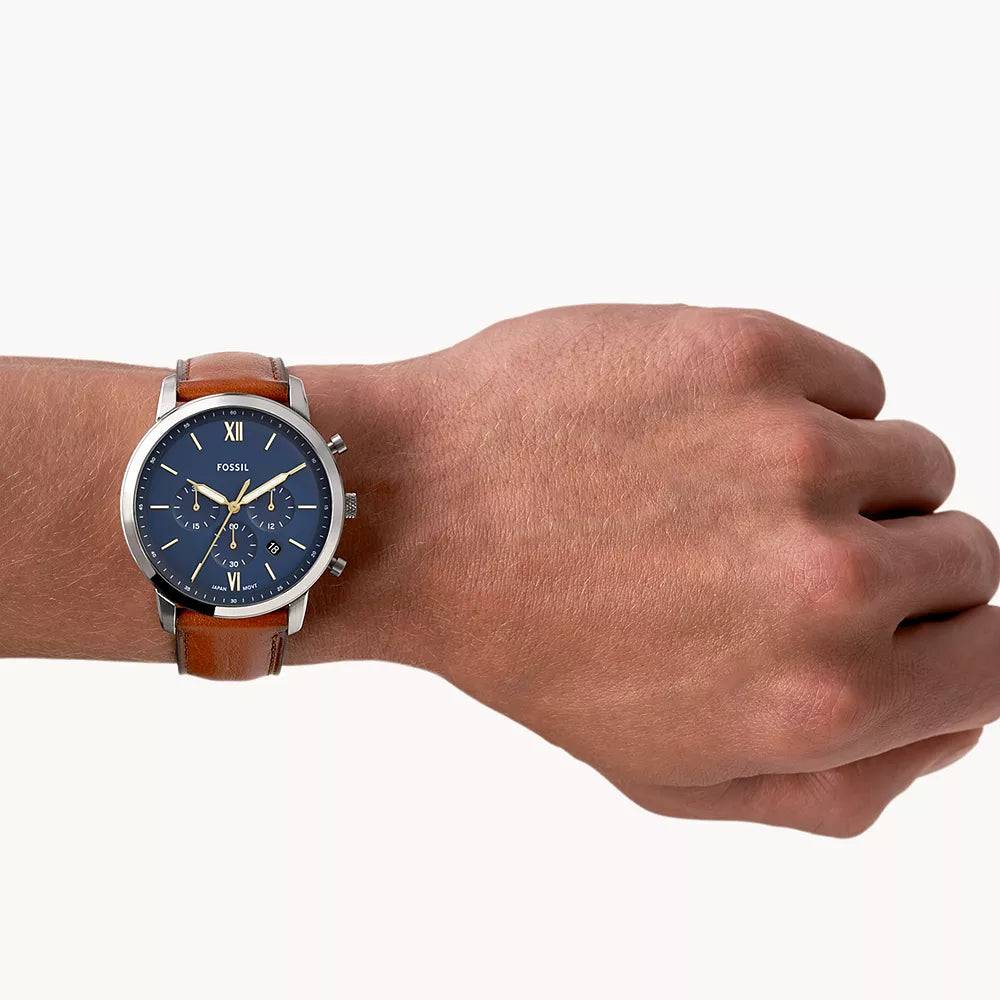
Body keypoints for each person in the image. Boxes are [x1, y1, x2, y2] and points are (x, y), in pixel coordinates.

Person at [2, 304, 997, 837]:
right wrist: (444, 521)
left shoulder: (299, 507)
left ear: (336, 500)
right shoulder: (242, 510)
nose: (226, 511)